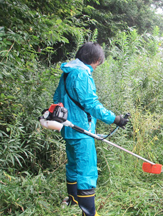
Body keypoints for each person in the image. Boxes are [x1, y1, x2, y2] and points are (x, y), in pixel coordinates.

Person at [53, 42, 128, 216]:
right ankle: (89, 213)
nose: (97, 66)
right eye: (98, 62)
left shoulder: (67, 72)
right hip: (81, 131)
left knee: (72, 165)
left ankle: (72, 200)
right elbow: (91, 104)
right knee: (87, 171)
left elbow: (57, 99)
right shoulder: (82, 74)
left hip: (68, 129)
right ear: (95, 59)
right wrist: (115, 119)